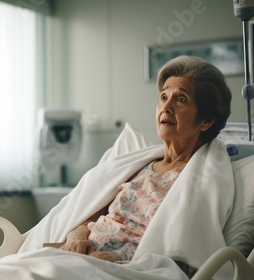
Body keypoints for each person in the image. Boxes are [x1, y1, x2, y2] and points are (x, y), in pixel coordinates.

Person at [59, 55, 232, 276]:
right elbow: (91, 214)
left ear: (206, 121)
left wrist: (120, 261)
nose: (166, 107)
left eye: (181, 100)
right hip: (80, 257)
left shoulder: (196, 180)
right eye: (163, 97)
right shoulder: (139, 167)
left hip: (126, 268)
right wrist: (77, 237)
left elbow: (181, 248)